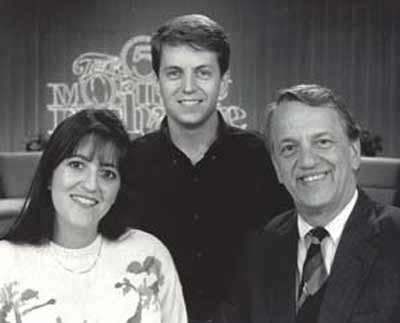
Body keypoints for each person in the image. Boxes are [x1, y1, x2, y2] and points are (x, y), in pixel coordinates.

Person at [126, 14, 291, 322]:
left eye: (203, 73)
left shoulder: (263, 159)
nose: (188, 87)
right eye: (174, 73)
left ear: (224, 83)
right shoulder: (130, 163)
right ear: (157, 83)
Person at [217, 84, 400, 323]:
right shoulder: (259, 250)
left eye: (322, 142)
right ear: (277, 168)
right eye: (289, 147)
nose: (307, 161)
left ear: (354, 152)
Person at [0, 109, 187, 323]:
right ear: (49, 177)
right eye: (77, 165)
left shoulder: (150, 256)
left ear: (118, 190)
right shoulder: (5, 263)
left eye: (107, 173)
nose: (91, 185)